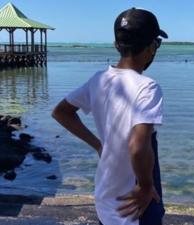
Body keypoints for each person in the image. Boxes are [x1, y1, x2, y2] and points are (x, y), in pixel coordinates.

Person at [52, 7, 168, 225]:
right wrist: (145, 187)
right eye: (156, 44)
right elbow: (138, 146)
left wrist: (98, 145)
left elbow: (61, 112)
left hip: (106, 199)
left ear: (117, 45)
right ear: (151, 47)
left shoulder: (99, 80)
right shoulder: (148, 88)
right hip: (135, 207)